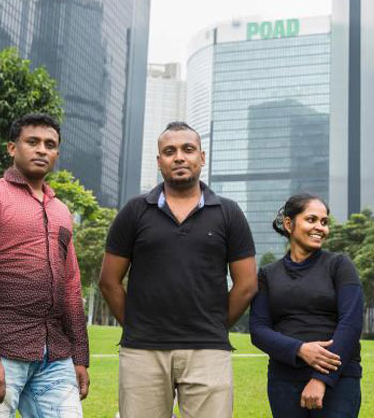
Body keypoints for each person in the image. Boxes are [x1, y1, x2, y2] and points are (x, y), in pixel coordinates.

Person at [99, 121, 258, 418]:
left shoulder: (229, 213)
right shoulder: (134, 211)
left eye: (188, 149)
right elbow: (109, 281)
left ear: (202, 157)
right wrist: (136, 325)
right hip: (143, 350)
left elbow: (246, 284)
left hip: (208, 349)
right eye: (169, 151)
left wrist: (214, 324)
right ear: (159, 161)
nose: (180, 157)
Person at [0, 113, 89, 417]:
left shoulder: (62, 211)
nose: (42, 149)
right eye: (33, 142)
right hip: (1, 350)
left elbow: (71, 287)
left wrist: (80, 357)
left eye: (50, 144)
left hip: (54, 355)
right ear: (12, 148)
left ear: (57, 153)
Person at [250, 193, 364, 417]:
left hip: (338, 379)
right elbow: (258, 330)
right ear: (289, 224)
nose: (320, 227)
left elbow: (351, 323)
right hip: (284, 379)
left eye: (324, 222)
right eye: (311, 220)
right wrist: (300, 350)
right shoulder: (267, 274)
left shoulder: (340, 265)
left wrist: (321, 379)